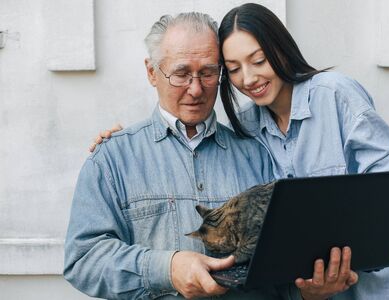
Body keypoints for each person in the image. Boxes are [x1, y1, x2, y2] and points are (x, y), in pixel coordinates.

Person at [93, 3, 389, 300]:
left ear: (280, 49)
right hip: (319, 290)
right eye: (235, 68)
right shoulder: (248, 128)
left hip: (385, 283)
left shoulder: (335, 95)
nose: (249, 78)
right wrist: (125, 143)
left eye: (258, 60)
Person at [66, 11, 357, 300]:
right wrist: (167, 268)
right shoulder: (113, 158)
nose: (195, 89)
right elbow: (83, 260)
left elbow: (281, 271)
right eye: (181, 74)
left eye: (207, 73)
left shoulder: (259, 153)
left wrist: (310, 292)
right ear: (152, 72)